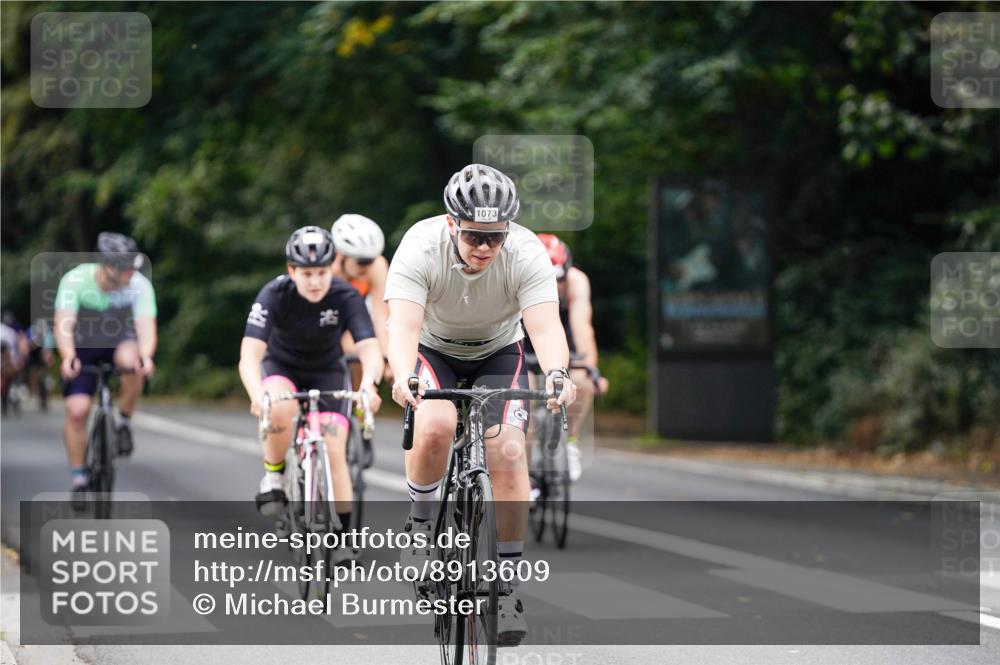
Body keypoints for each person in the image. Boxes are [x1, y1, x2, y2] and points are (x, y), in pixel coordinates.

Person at [385, 163, 577, 647]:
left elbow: (546, 328)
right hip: (433, 350)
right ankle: (421, 525)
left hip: (499, 351)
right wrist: (404, 375)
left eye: (495, 237)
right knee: (435, 423)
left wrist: (557, 375)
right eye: (473, 236)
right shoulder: (420, 245)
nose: (485, 248)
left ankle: (507, 586)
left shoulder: (528, 252)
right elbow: (403, 327)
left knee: (510, 453)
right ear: (452, 224)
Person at [238, 226, 383, 555]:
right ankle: (274, 476)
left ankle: (344, 539)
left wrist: (369, 383)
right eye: (307, 274)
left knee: (334, 450)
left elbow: (369, 348)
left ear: (331, 268)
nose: (315, 281)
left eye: (321, 273)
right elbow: (250, 355)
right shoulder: (274, 294)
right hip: (282, 367)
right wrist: (255, 393)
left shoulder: (345, 295)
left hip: (327, 370)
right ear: (292, 271)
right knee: (279, 407)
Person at [54, 232, 157, 500]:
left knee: (133, 363)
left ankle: (123, 420)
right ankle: (79, 477)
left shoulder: (139, 285)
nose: (131, 273)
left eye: (133, 267)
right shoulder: (76, 280)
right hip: (82, 344)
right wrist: (67, 356)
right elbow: (64, 323)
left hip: (119, 341)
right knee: (77, 411)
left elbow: (146, 326)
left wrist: (146, 355)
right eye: (124, 268)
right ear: (106, 265)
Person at [535, 234, 609, 482]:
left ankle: (571, 439)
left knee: (582, 378)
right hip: (524, 333)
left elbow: (583, 329)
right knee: (519, 389)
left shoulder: (577, 281)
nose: (554, 287)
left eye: (559, 279)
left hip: (560, 334)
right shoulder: (518, 279)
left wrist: (591, 370)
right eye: (547, 280)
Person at [330, 214, 392, 383]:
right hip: (328, 319)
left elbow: (381, 314)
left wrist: (387, 358)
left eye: (371, 260)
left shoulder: (377, 266)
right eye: (362, 261)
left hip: (356, 319)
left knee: (363, 348)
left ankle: (360, 404)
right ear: (341, 255)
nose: (367, 266)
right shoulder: (327, 272)